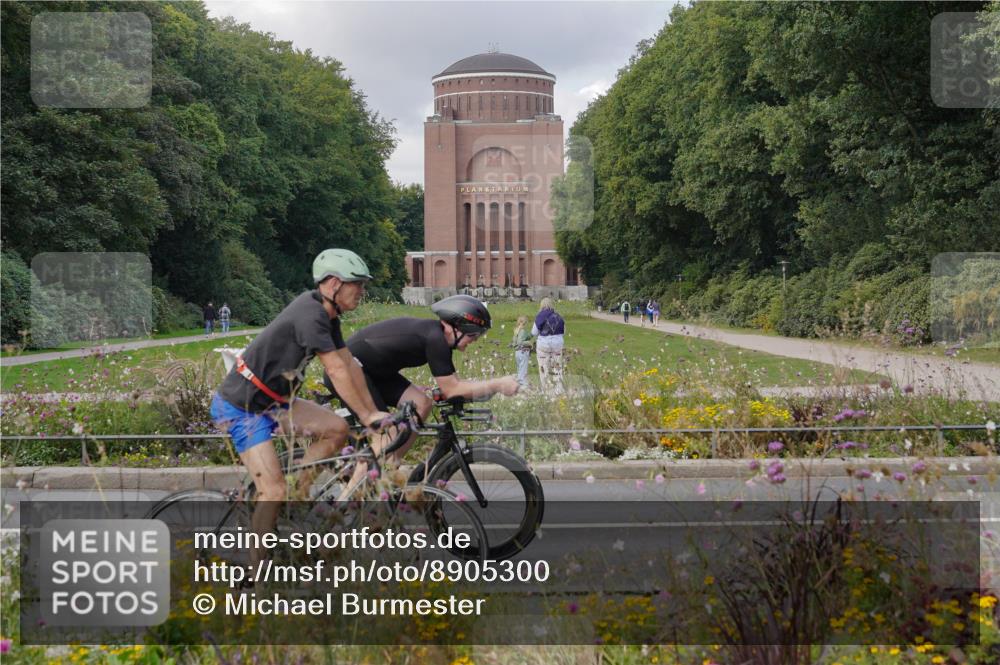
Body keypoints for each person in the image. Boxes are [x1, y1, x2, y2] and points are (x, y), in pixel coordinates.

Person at [210, 249, 389, 566]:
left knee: (337, 429)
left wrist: (373, 412)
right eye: (357, 284)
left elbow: (349, 363)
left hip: (276, 402)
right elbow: (334, 370)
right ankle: (254, 575)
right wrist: (365, 415)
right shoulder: (311, 316)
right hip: (243, 407)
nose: (362, 290)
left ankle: (298, 495)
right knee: (273, 490)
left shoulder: (328, 314)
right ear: (334, 284)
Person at [324, 294, 520, 469]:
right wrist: (498, 384)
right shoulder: (435, 338)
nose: (475, 340)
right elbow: (453, 389)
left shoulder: (435, 336)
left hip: (372, 372)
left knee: (422, 403)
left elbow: (453, 385)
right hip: (348, 372)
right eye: (473, 335)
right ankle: (354, 496)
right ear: (457, 327)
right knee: (387, 433)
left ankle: (390, 467)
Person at [532, 297, 565, 393]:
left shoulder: (540, 316)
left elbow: (534, 332)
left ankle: (545, 388)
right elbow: (563, 331)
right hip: (557, 344)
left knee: (543, 366)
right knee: (557, 365)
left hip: (544, 344)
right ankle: (559, 389)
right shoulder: (559, 316)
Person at [511, 315, 534, 388]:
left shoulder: (516, 330)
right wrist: (529, 343)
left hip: (517, 352)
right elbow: (521, 342)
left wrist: (531, 335)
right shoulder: (523, 331)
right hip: (523, 351)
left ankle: (519, 384)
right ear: (525, 323)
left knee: (519, 369)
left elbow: (516, 342)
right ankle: (523, 386)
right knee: (523, 370)